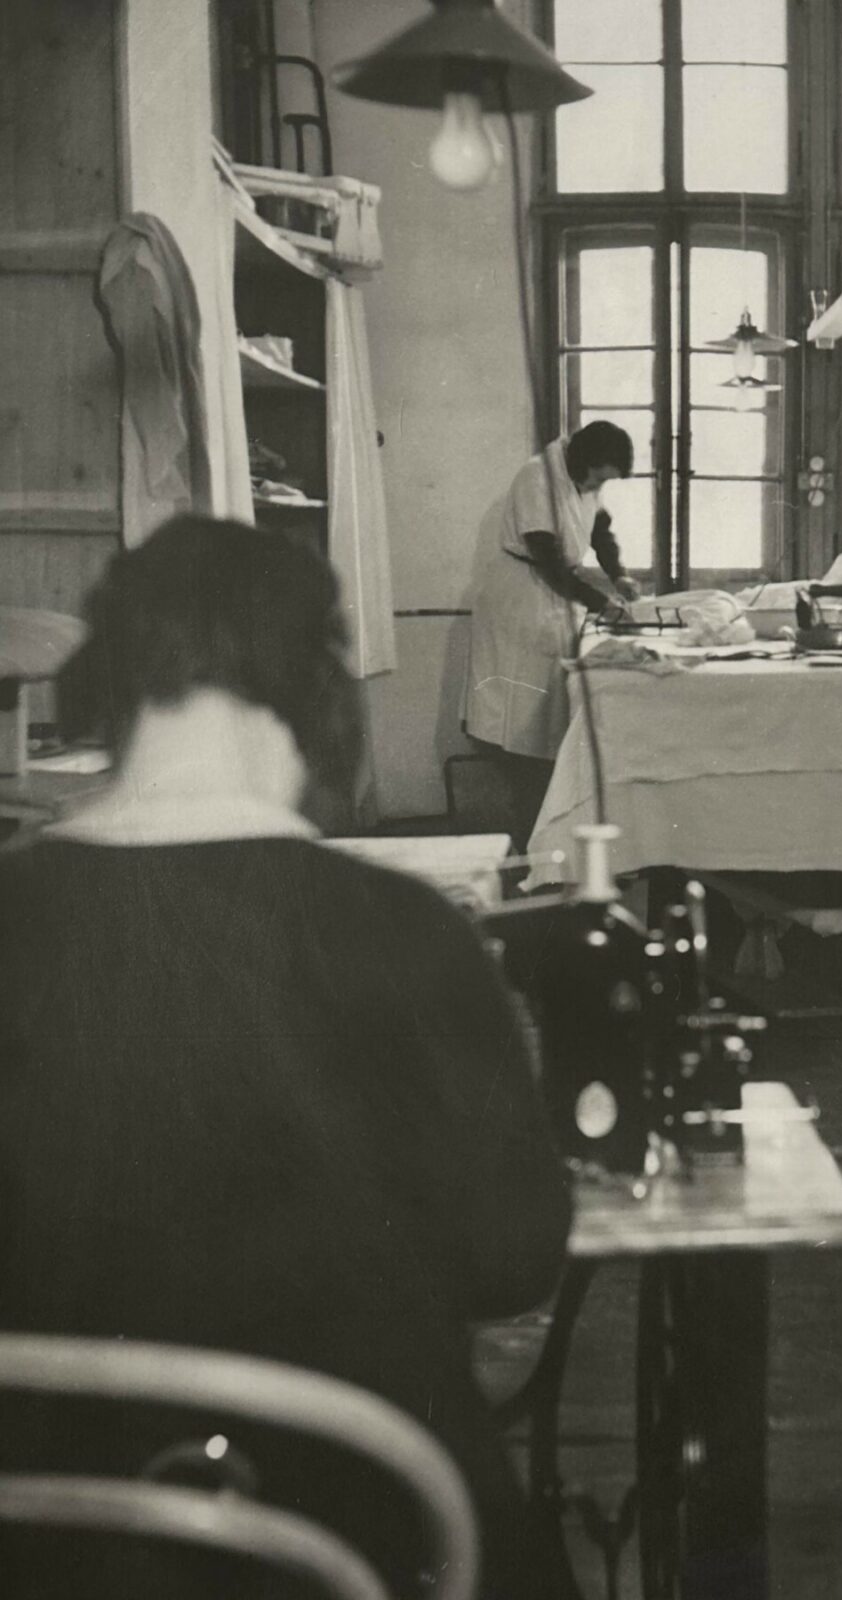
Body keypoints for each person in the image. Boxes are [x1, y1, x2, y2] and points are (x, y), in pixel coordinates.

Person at [0, 516, 572, 1599]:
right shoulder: (406, 932)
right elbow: (513, 1259)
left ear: (105, 692)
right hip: (358, 1528)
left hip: (50, 1542)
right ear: (320, 688)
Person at [464, 420, 638, 851]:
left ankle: (542, 825)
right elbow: (546, 557)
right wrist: (600, 603)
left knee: (543, 719)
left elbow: (599, 531)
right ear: (585, 461)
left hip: (551, 599)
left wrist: (620, 575)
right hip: (520, 598)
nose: (600, 485)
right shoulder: (537, 476)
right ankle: (524, 834)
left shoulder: (583, 478)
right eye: (600, 476)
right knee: (519, 719)